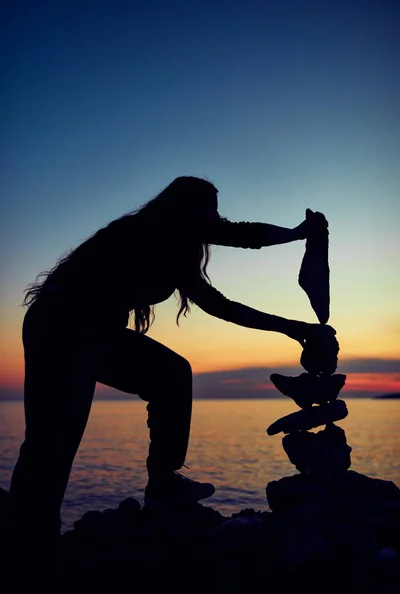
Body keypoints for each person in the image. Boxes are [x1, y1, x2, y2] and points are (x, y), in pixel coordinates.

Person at [9, 176, 333, 535]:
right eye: (209, 209)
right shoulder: (155, 230)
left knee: (170, 375)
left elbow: (222, 296)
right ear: (185, 208)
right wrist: (296, 233)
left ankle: (162, 483)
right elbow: (240, 243)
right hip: (63, 326)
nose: (215, 218)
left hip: (93, 331)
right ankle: (29, 544)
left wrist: (294, 327)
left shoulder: (173, 244)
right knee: (53, 439)